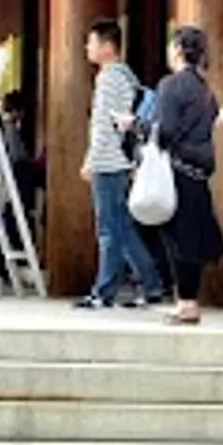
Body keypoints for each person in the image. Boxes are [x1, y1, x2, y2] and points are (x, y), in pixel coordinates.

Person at [141, 27, 223, 326]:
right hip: (199, 171)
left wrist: (137, 126)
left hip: (177, 169)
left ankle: (186, 303)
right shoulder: (205, 88)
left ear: (178, 48)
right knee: (190, 237)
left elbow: (163, 131)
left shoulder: (171, 85)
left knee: (177, 240)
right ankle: (188, 300)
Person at [79, 19, 154, 311]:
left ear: (107, 47)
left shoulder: (109, 78)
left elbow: (104, 127)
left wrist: (91, 161)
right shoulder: (127, 77)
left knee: (109, 229)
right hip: (120, 161)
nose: (88, 47)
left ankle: (104, 290)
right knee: (121, 227)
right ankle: (151, 283)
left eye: (92, 42)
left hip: (109, 162)